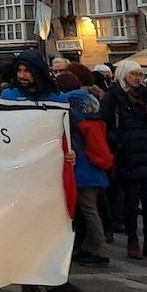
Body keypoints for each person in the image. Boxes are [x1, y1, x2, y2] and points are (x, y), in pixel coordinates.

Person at [0, 51, 83, 292]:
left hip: (51, 172)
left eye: (27, 71)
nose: (22, 76)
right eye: (19, 71)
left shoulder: (59, 99)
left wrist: (72, 152)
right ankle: (29, 279)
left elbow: (68, 133)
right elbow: (0, 132)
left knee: (57, 225)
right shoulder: (8, 97)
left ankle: (56, 275)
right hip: (21, 172)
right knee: (25, 225)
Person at [101, 59, 147, 261]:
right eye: (133, 74)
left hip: (146, 154)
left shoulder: (146, 95)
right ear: (123, 75)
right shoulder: (114, 96)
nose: (137, 78)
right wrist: (117, 142)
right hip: (126, 155)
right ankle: (132, 241)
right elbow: (105, 124)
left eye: (139, 74)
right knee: (130, 201)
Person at [56, 70, 109, 266]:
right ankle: (89, 246)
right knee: (90, 208)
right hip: (96, 163)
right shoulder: (92, 104)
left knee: (88, 209)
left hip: (83, 167)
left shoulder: (68, 108)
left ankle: (99, 249)